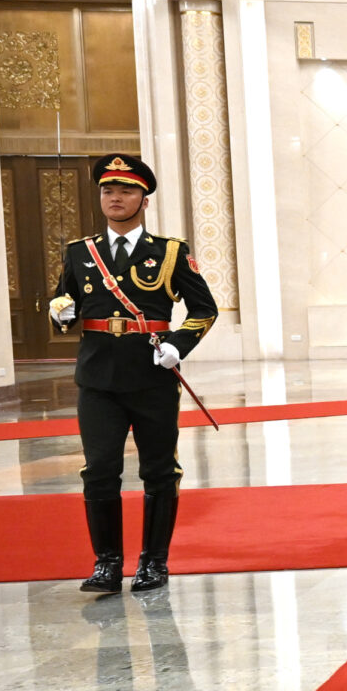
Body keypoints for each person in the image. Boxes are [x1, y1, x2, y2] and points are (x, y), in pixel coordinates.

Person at [49, 155, 219, 595]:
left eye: (125, 191)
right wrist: (60, 313)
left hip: (151, 378)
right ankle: (106, 563)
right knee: (99, 471)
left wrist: (178, 345)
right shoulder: (80, 253)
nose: (115, 198)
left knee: (159, 471)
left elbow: (204, 309)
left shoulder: (169, 252)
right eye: (108, 191)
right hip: (97, 380)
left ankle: (153, 562)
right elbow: (63, 303)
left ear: (144, 200)